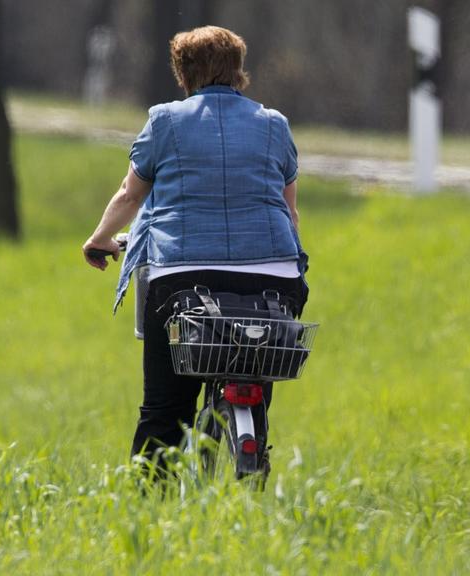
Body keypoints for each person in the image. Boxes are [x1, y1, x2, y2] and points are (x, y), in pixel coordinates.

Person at [83, 26, 308, 470]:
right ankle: (253, 423)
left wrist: (99, 238)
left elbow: (131, 195)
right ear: (238, 70)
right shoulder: (274, 125)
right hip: (275, 281)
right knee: (256, 358)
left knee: (164, 413)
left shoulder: (165, 120)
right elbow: (290, 213)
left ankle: (150, 512)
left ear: (183, 73)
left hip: (184, 281)